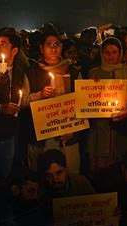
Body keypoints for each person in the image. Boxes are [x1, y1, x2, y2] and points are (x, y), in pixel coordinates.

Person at [24, 26, 82, 174]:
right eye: (49, 45)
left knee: (69, 178)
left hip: (67, 138)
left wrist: (74, 130)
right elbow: (22, 101)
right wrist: (40, 95)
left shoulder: (73, 71)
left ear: (62, 47)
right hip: (39, 139)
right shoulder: (32, 71)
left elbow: (83, 103)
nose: (53, 48)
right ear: (41, 48)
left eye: (57, 44)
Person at [86, 37, 127, 174]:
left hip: (122, 131)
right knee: (100, 174)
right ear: (101, 53)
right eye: (106, 52)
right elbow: (86, 100)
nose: (110, 56)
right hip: (99, 132)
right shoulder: (94, 73)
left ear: (120, 53)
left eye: (114, 52)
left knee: (120, 170)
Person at [0, 27, 30, 180]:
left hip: (9, 133)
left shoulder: (21, 69)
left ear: (14, 51)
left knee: (4, 174)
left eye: (3, 44)